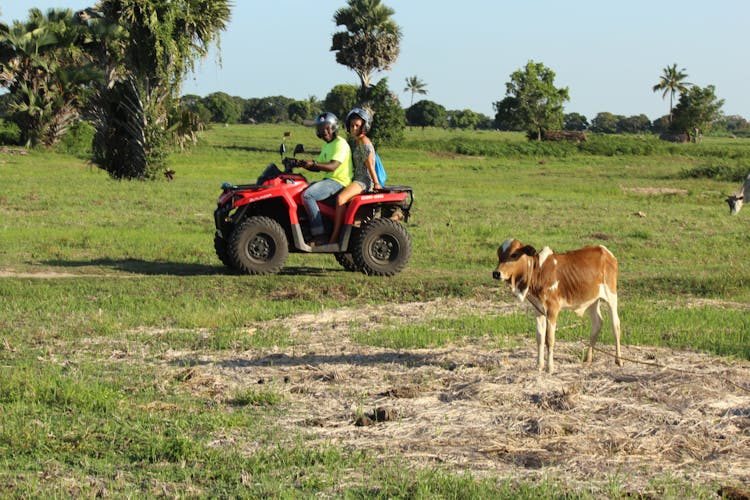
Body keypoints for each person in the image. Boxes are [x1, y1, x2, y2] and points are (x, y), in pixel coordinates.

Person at [328, 107, 382, 244]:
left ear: (364, 126)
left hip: (363, 181)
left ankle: (335, 236)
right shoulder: (357, 141)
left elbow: (370, 165)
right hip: (355, 179)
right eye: (352, 125)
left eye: (357, 125)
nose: (354, 128)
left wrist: (376, 183)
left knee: (340, 199)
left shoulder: (364, 142)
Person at [299, 112, 353, 245]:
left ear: (334, 128)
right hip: (329, 181)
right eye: (321, 128)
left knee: (308, 195)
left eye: (327, 128)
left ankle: (320, 234)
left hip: (339, 182)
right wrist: (303, 164)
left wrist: (314, 164)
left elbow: (332, 166)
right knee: (299, 188)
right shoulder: (327, 145)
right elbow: (318, 166)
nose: (324, 131)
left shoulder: (341, 144)